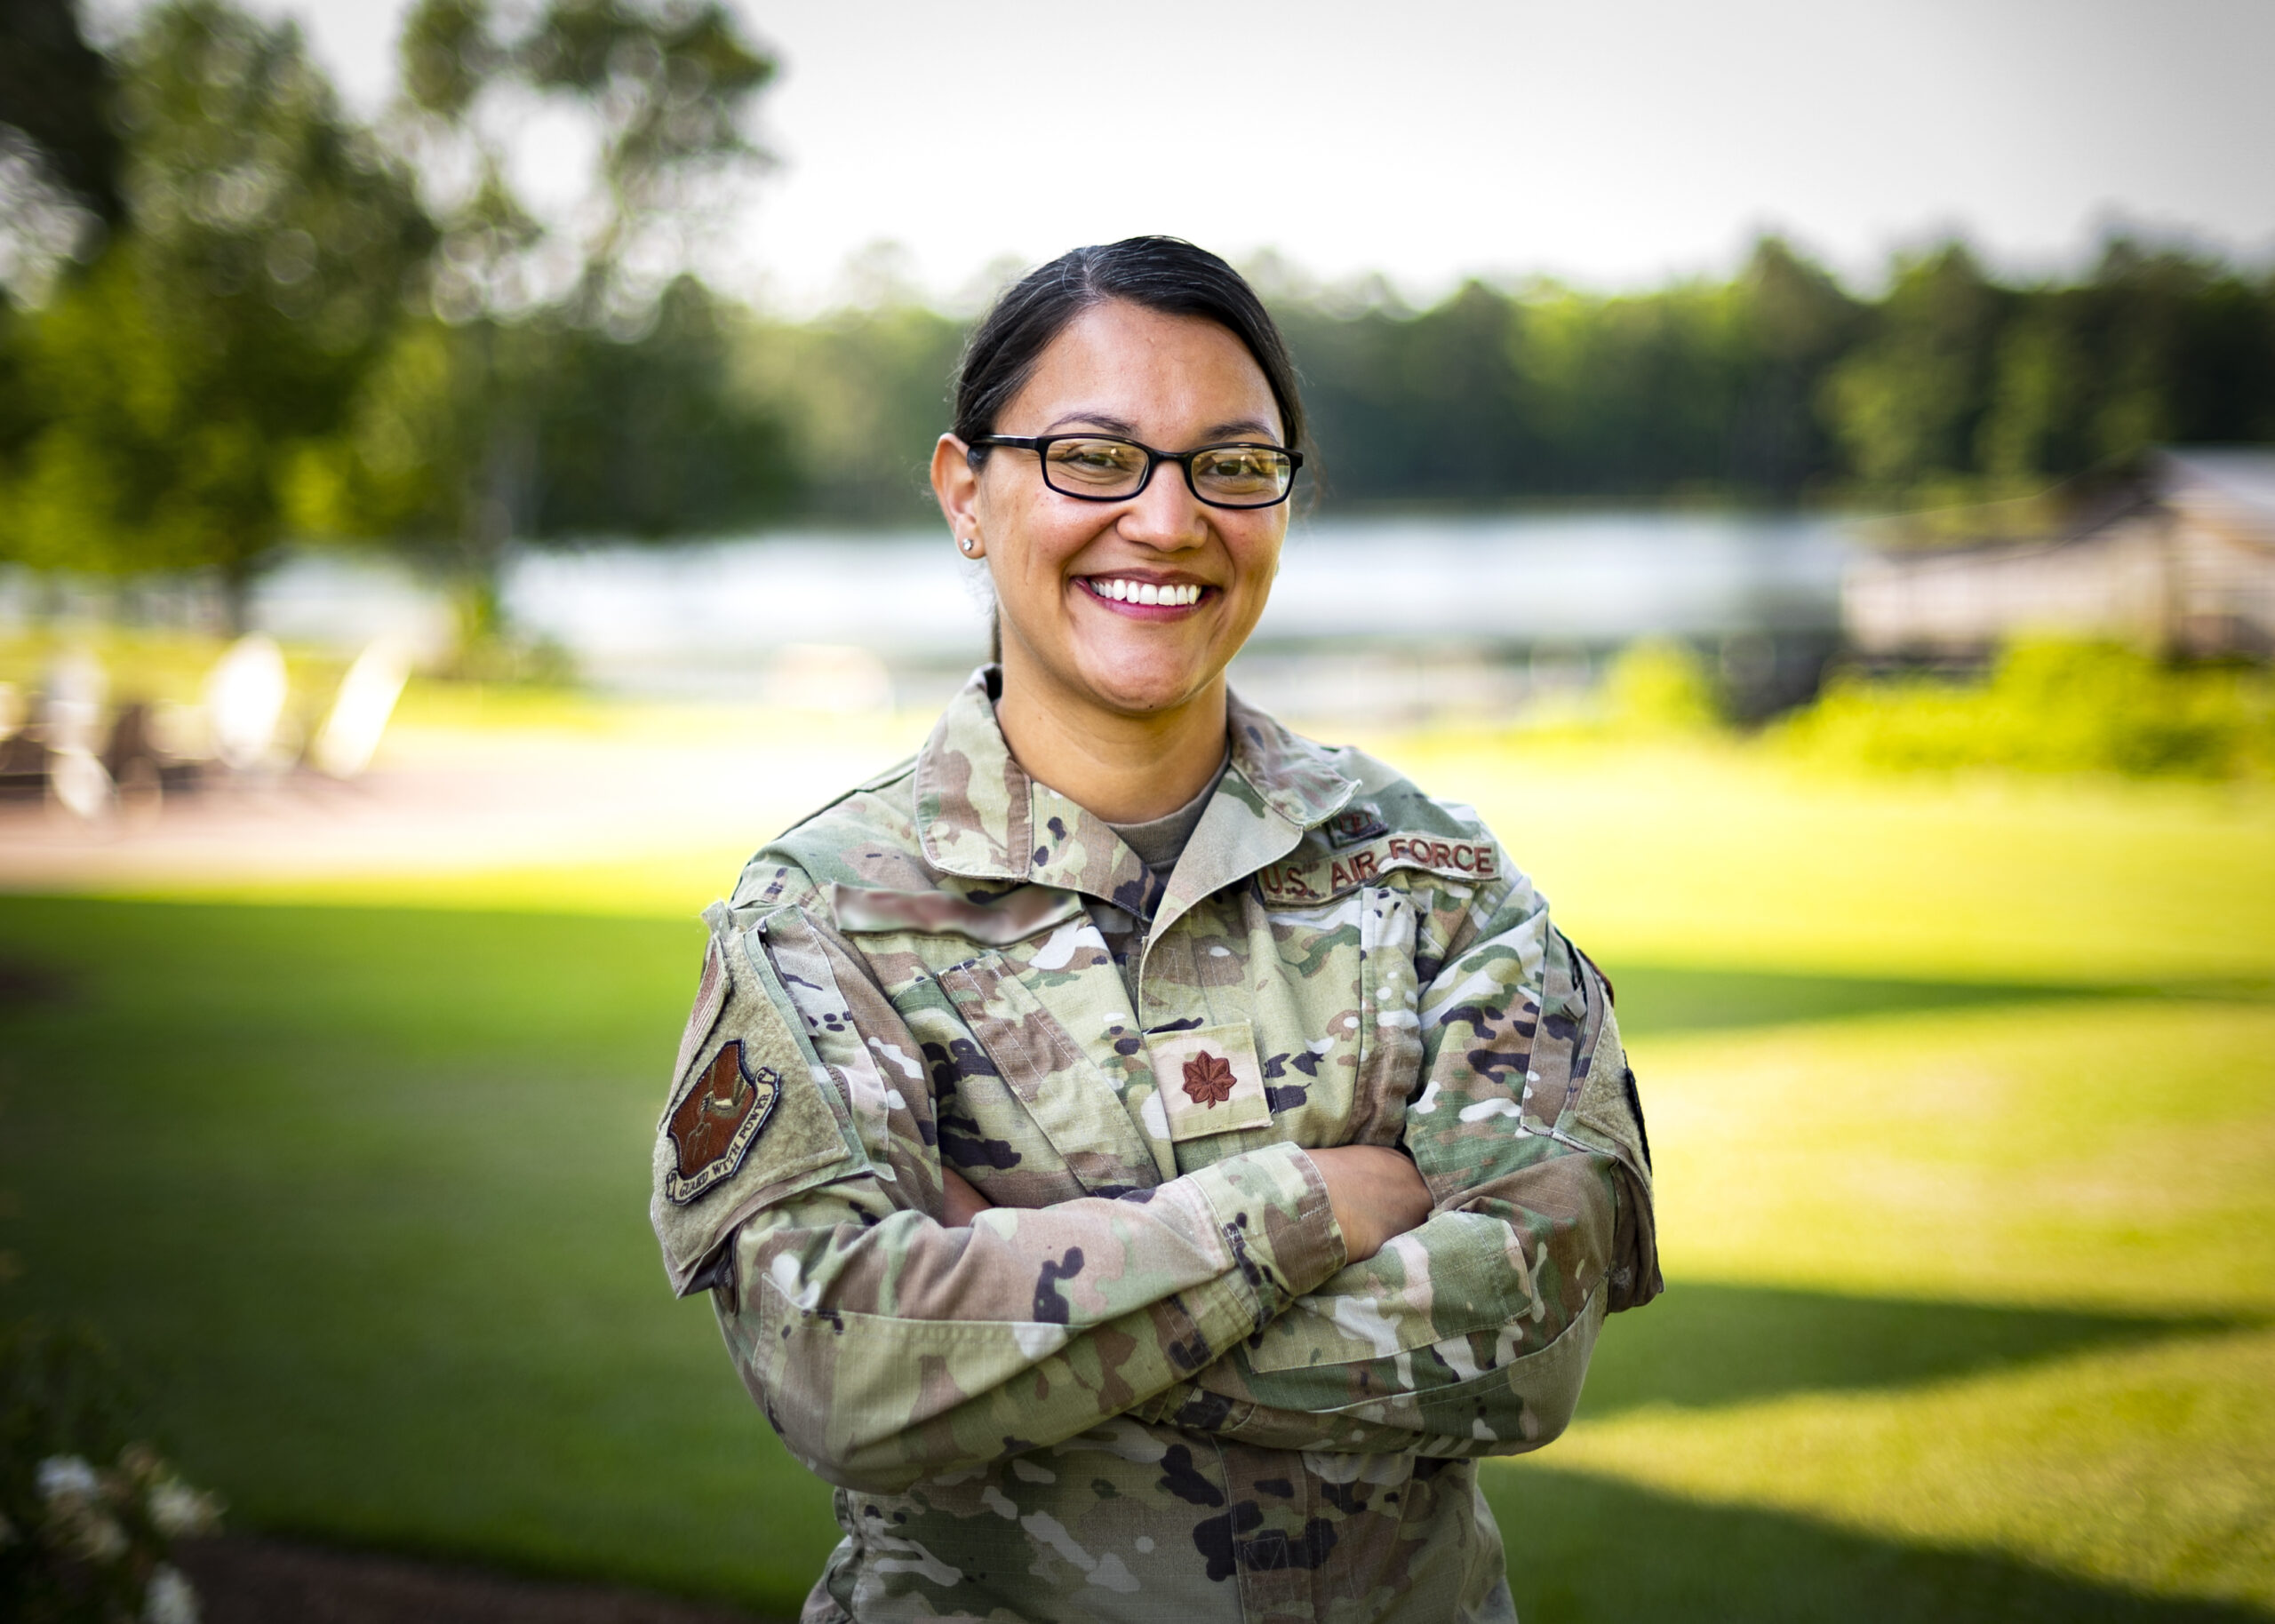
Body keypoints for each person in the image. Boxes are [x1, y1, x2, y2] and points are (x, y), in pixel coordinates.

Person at [649, 236, 1660, 1624]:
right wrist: (1306, 1210)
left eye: (1233, 466)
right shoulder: (828, 910)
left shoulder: (1435, 881)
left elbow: (1531, 1339)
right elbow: (838, 1364)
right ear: (966, 493)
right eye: (1094, 458)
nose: (1170, 521)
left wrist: (1013, 1313)